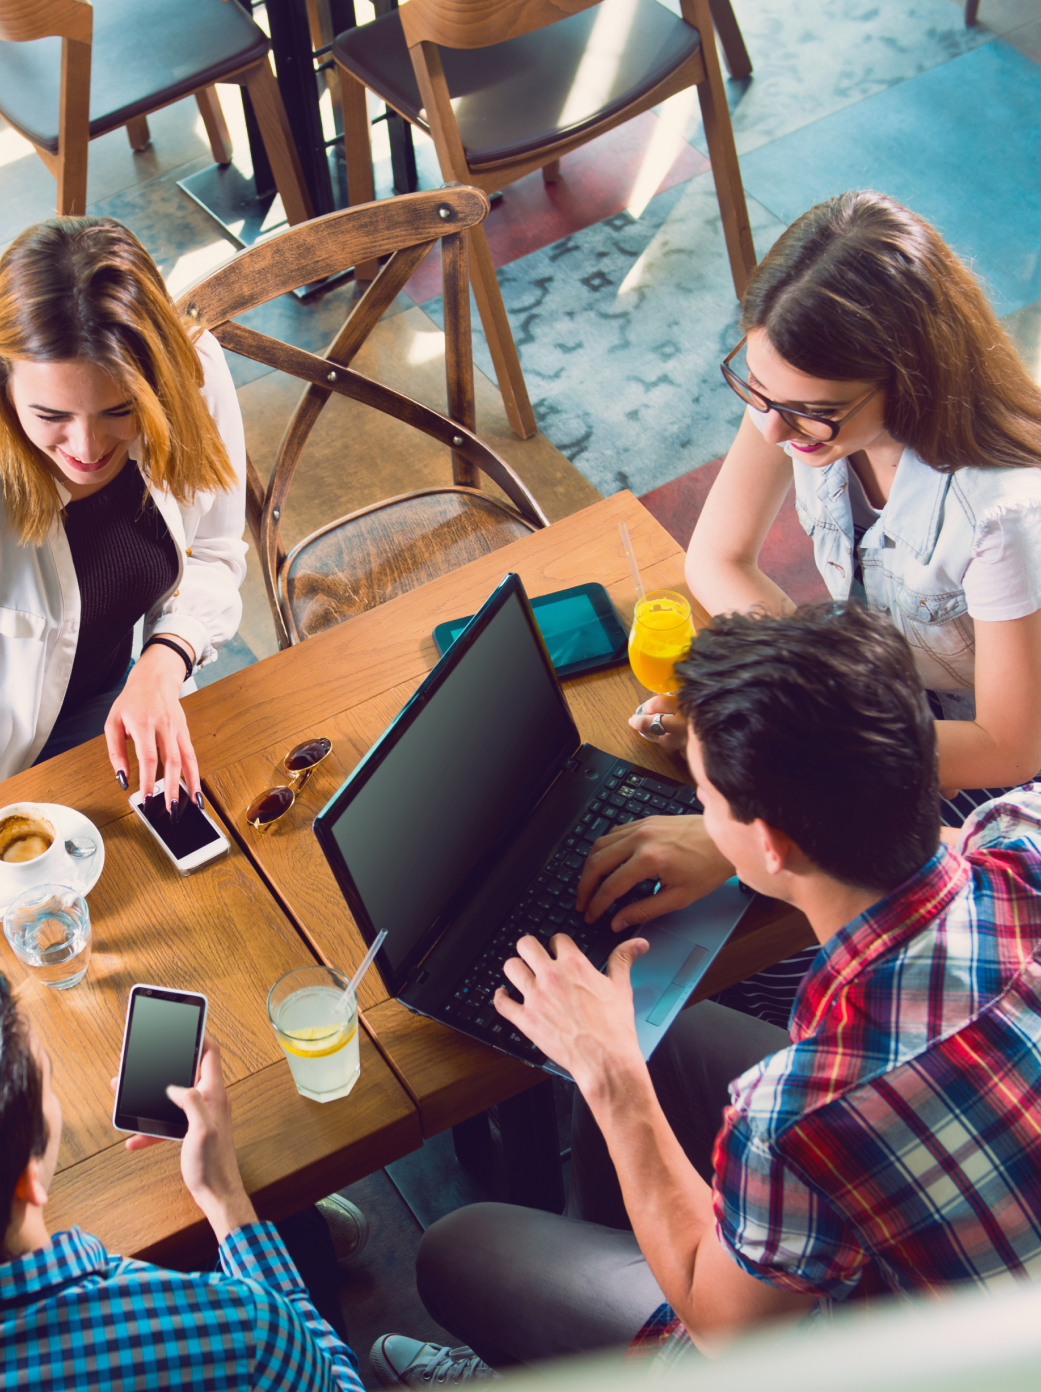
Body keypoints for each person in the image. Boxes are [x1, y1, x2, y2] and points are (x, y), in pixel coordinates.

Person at [370, 604, 1041, 1383]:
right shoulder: (1018, 836)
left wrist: (608, 1070)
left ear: (769, 841)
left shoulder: (797, 1111)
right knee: (673, 1036)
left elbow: (727, 1329)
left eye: (704, 800)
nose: (697, 815)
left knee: (462, 1249)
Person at [625, 189, 1041, 1024]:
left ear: (911, 376)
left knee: (743, 964)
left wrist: (792, 749)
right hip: (893, 720)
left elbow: (1007, 746)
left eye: (808, 412)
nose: (773, 433)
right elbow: (716, 556)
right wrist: (778, 700)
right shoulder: (798, 396)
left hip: (993, 782)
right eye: (757, 391)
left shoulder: (1005, 513)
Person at [0, 977, 363, 1390]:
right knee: (295, 1224)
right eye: (47, 1077)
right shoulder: (247, 1331)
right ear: (27, 1181)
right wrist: (224, 1194)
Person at [0, 216, 248, 810]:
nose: (87, 450)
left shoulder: (195, 376)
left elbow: (215, 551)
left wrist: (166, 657)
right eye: (52, 415)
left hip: (108, 703)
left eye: (119, 409)